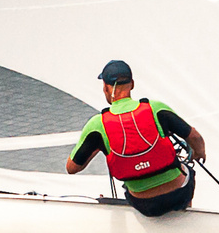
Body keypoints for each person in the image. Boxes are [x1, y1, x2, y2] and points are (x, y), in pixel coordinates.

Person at [66, 60, 206, 218]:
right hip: (178, 196)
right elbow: (195, 137)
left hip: (144, 204)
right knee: (187, 169)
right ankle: (184, 219)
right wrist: (199, 153)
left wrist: (99, 145)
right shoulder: (155, 108)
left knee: (130, 186)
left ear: (105, 87)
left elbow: (72, 168)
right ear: (132, 84)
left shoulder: (97, 124)